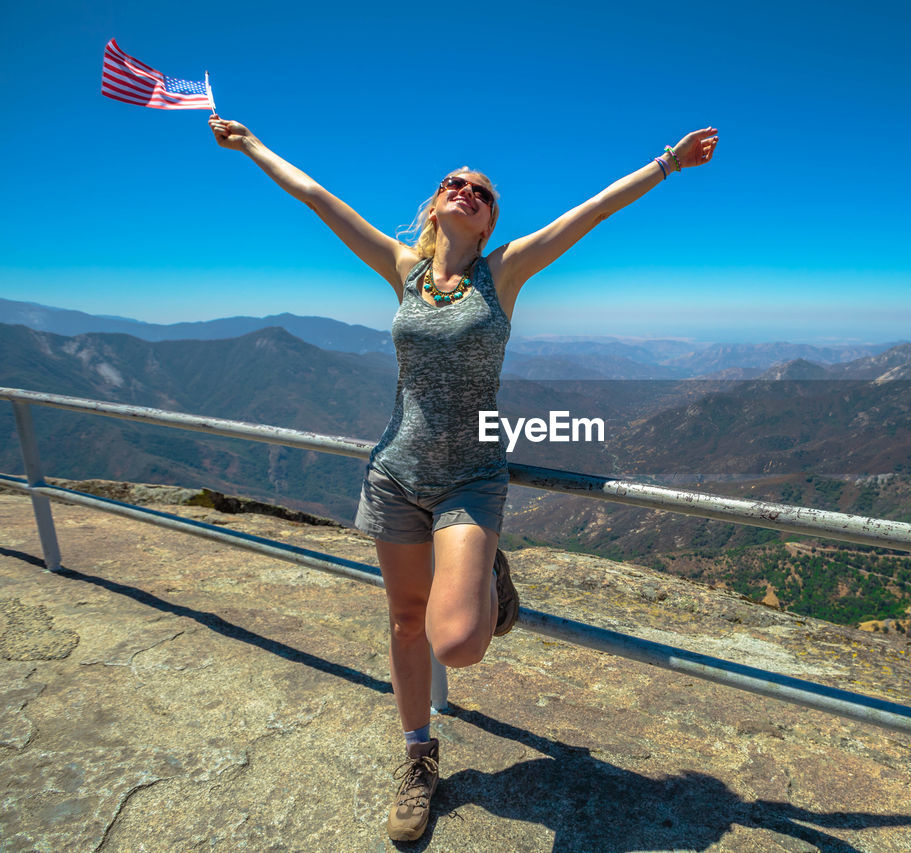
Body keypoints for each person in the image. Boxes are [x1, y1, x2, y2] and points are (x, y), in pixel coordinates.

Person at [208, 113, 718, 841]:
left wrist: (666, 163)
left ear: (487, 222)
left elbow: (591, 212)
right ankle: (418, 755)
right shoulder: (402, 269)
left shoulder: (501, 272)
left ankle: (485, 572)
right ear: (435, 207)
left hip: (471, 479)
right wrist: (253, 146)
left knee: (459, 642)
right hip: (394, 475)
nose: (464, 189)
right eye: (453, 183)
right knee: (406, 621)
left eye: (479, 190)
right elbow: (317, 199)